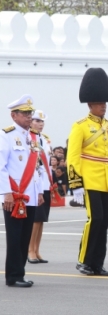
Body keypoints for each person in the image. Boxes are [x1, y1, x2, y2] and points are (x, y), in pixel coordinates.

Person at [67, 68, 108, 276]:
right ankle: (83, 261)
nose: (103, 106)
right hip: (88, 180)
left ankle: (97, 263)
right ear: (90, 105)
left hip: (106, 180)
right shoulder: (80, 126)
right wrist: (75, 185)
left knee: (104, 223)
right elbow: (72, 157)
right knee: (94, 219)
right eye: (99, 103)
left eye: (104, 103)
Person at [0, 95, 44, 287]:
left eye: (30, 113)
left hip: (31, 195)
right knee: (15, 237)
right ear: (14, 115)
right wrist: (5, 192)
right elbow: (1, 167)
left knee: (25, 237)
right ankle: (13, 276)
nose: (28, 117)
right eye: (25, 113)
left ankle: (21, 273)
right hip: (15, 195)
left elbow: (38, 167)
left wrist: (40, 191)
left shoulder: (33, 137)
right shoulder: (6, 135)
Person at [28, 110, 52, 264]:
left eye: (42, 121)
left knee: (42, 219)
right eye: (37, 121)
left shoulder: (45, 139)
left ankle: (37, 249)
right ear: (30, 121)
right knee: (35, 220)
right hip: (34, 184)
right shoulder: (28, 138)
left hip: (46, 184)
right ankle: (30, 250)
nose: (40, 124)